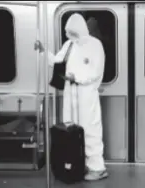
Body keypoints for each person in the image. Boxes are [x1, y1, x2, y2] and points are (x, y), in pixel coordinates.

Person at [43, 13, 108, 181]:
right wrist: (44, 52)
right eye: (69, 33)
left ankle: (97, 168)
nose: (71, 36)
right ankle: (76, 163)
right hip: (70, 93)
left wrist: (77, 78)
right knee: (71, 130)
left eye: (73, 32)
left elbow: (96, 72)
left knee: (90, 129)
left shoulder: (95, 45)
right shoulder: (69, 45)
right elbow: (57, 61)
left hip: (86, 94)